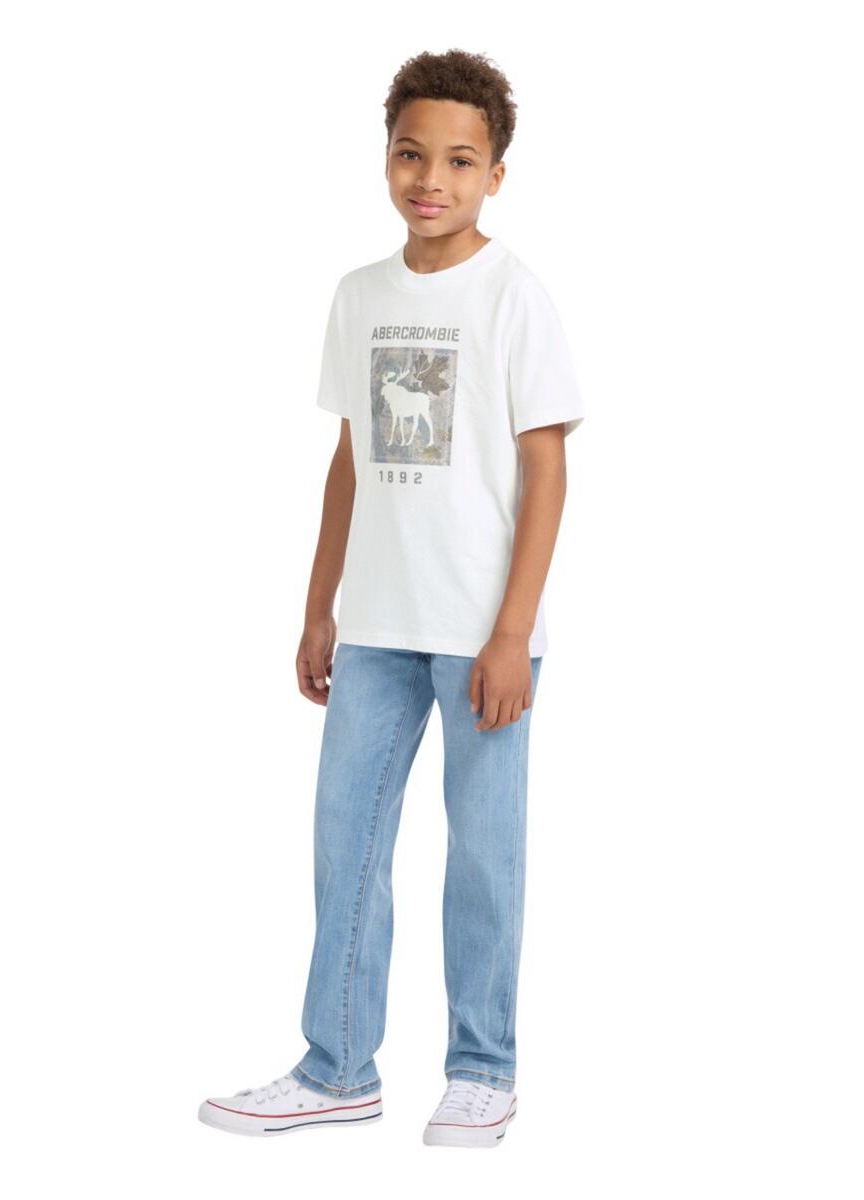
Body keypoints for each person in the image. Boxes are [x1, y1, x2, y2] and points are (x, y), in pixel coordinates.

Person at [198, 48, 585, 1148]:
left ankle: (483, 1069)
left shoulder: (514, 296)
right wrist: (318, 607)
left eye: (460, 161)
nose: (432, 179)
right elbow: (350, 461)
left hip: (482, 637)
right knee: (347, 845)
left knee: (484, 859)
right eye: (413, 154)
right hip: (373, 624)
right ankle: (336, 1068)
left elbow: (548, 470)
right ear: (386, 159)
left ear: (495, 175)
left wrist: (511, 633)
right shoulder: (359, 296)